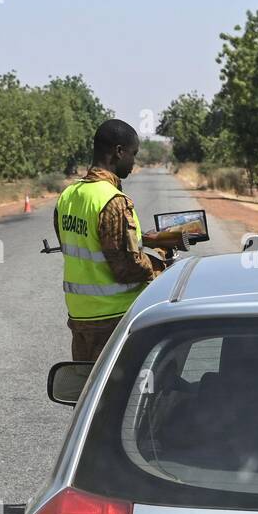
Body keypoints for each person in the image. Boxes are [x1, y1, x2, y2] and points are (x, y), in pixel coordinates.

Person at [54, 119, 188, 362]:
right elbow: (126, 268)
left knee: (87, 391)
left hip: (80, 317)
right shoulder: (114, 201)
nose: (134, 162)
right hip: (114, 318)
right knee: (119, 394)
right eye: (133, 154)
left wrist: (145, 240)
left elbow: (83, 244)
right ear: (118, 152)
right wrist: (164, 269)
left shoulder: (68, 196)